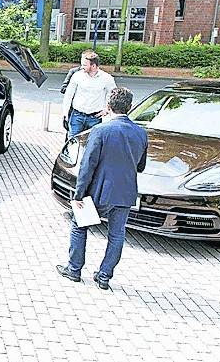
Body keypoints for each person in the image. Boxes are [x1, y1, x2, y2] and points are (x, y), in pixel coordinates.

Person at [56, 88, 148, 290]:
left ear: (108, 107)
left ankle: (74, 269)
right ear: (130, 107)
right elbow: (141, 166)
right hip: (126, 193)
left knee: (79, 225)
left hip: (99, 191)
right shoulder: (141, 132)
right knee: (117, 234)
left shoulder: (100, 131)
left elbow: (87, 166)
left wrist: (79, 194)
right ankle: (105, 276)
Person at [61, 52, 116, 138]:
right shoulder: (77, 75)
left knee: (92, 143)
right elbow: (69, 95)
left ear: (93, 66)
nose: (82, 67)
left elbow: (113, 94)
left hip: (95, 117)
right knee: (73, 141)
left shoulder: (106, 78)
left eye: (84, 65)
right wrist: (65, 113)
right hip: (77, 115)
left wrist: (106, 109)